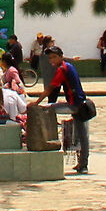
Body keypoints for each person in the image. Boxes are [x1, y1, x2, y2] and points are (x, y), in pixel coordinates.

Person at [43, 47, 92, 175]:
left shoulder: (62, 69)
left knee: (47, 109)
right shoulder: (69, 66)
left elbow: (50, 88)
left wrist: (36, 103)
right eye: (50, 58)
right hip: (80, 104)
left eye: (54, 57)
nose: (52, 60)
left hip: (75, 105)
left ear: (60, 56)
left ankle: (49, 140)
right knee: (82, 135)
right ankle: (83, 164)